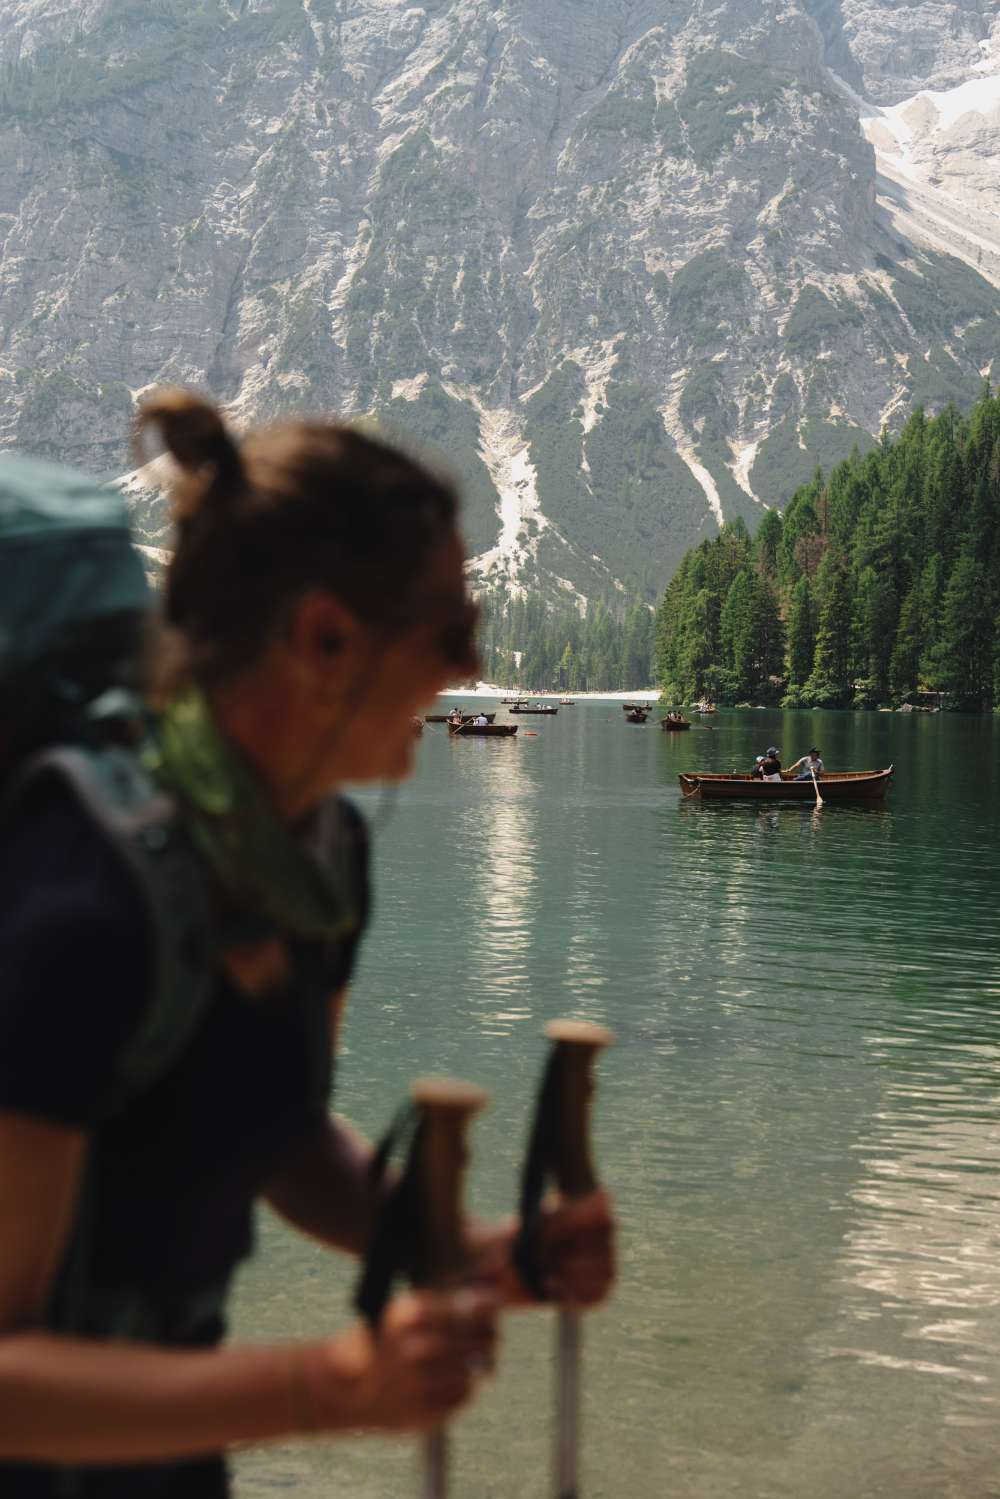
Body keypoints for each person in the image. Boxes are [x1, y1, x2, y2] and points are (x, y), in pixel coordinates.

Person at [0, 394, 614, 1496]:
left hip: (159, 1459)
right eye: (449, 631)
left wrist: (485, 1254)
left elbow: (280, 1143)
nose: (468, 672)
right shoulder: (85, 889)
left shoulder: (316, 855)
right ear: (325, 637)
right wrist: (324, 1384)